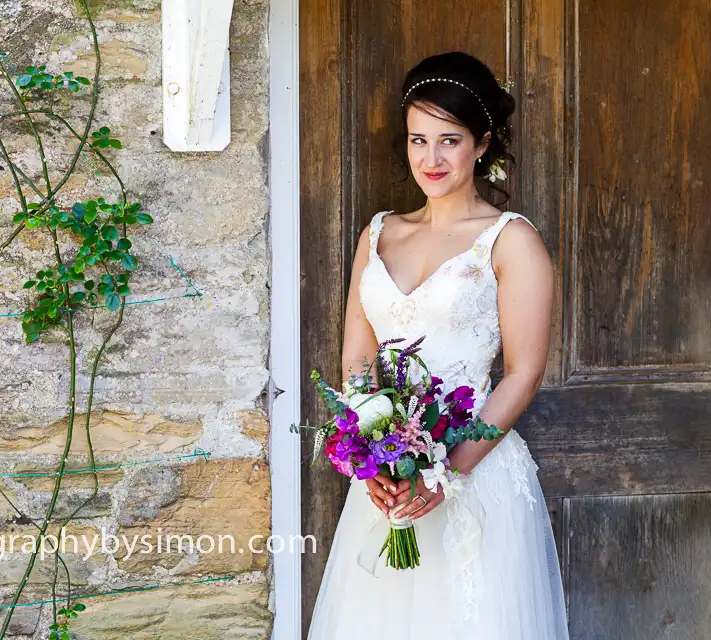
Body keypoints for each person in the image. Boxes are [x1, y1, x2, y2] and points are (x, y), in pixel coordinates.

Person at [307, 51, 569, 639]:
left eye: (449, 140)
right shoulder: (378, 233)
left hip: (474, 476)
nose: (431, 158)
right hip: (389, 484)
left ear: (482, 144)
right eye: (417, 139)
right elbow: (357, 359)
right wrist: (374, 453)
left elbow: (523, 374)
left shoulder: (510, 241)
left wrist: (444, 472)